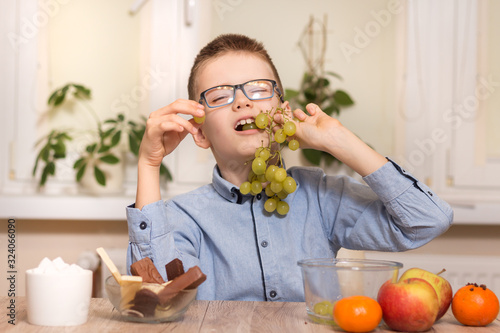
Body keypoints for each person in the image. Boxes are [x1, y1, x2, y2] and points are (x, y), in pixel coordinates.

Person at [126, 34, 453, 301]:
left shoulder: (322, 197)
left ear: (281, 111)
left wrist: (340, 141)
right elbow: (156, 299)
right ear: (200, 132)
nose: (242, 101)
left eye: (257, 89)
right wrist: (149, 163)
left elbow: (426, 221)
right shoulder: (183, 216)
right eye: (220, 95)